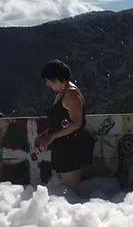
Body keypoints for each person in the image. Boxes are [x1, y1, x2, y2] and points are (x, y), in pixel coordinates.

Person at [34, 60, 95, 193]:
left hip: (73, 146)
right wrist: (45, 134)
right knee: (64, 189)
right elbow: (61, 122)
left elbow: (77, 123)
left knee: (71, 190)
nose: (47, 84)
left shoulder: (71, 95)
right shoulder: (62, 92)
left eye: (48, 81)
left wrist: (52, 137)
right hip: (63, 145)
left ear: (56, 79)